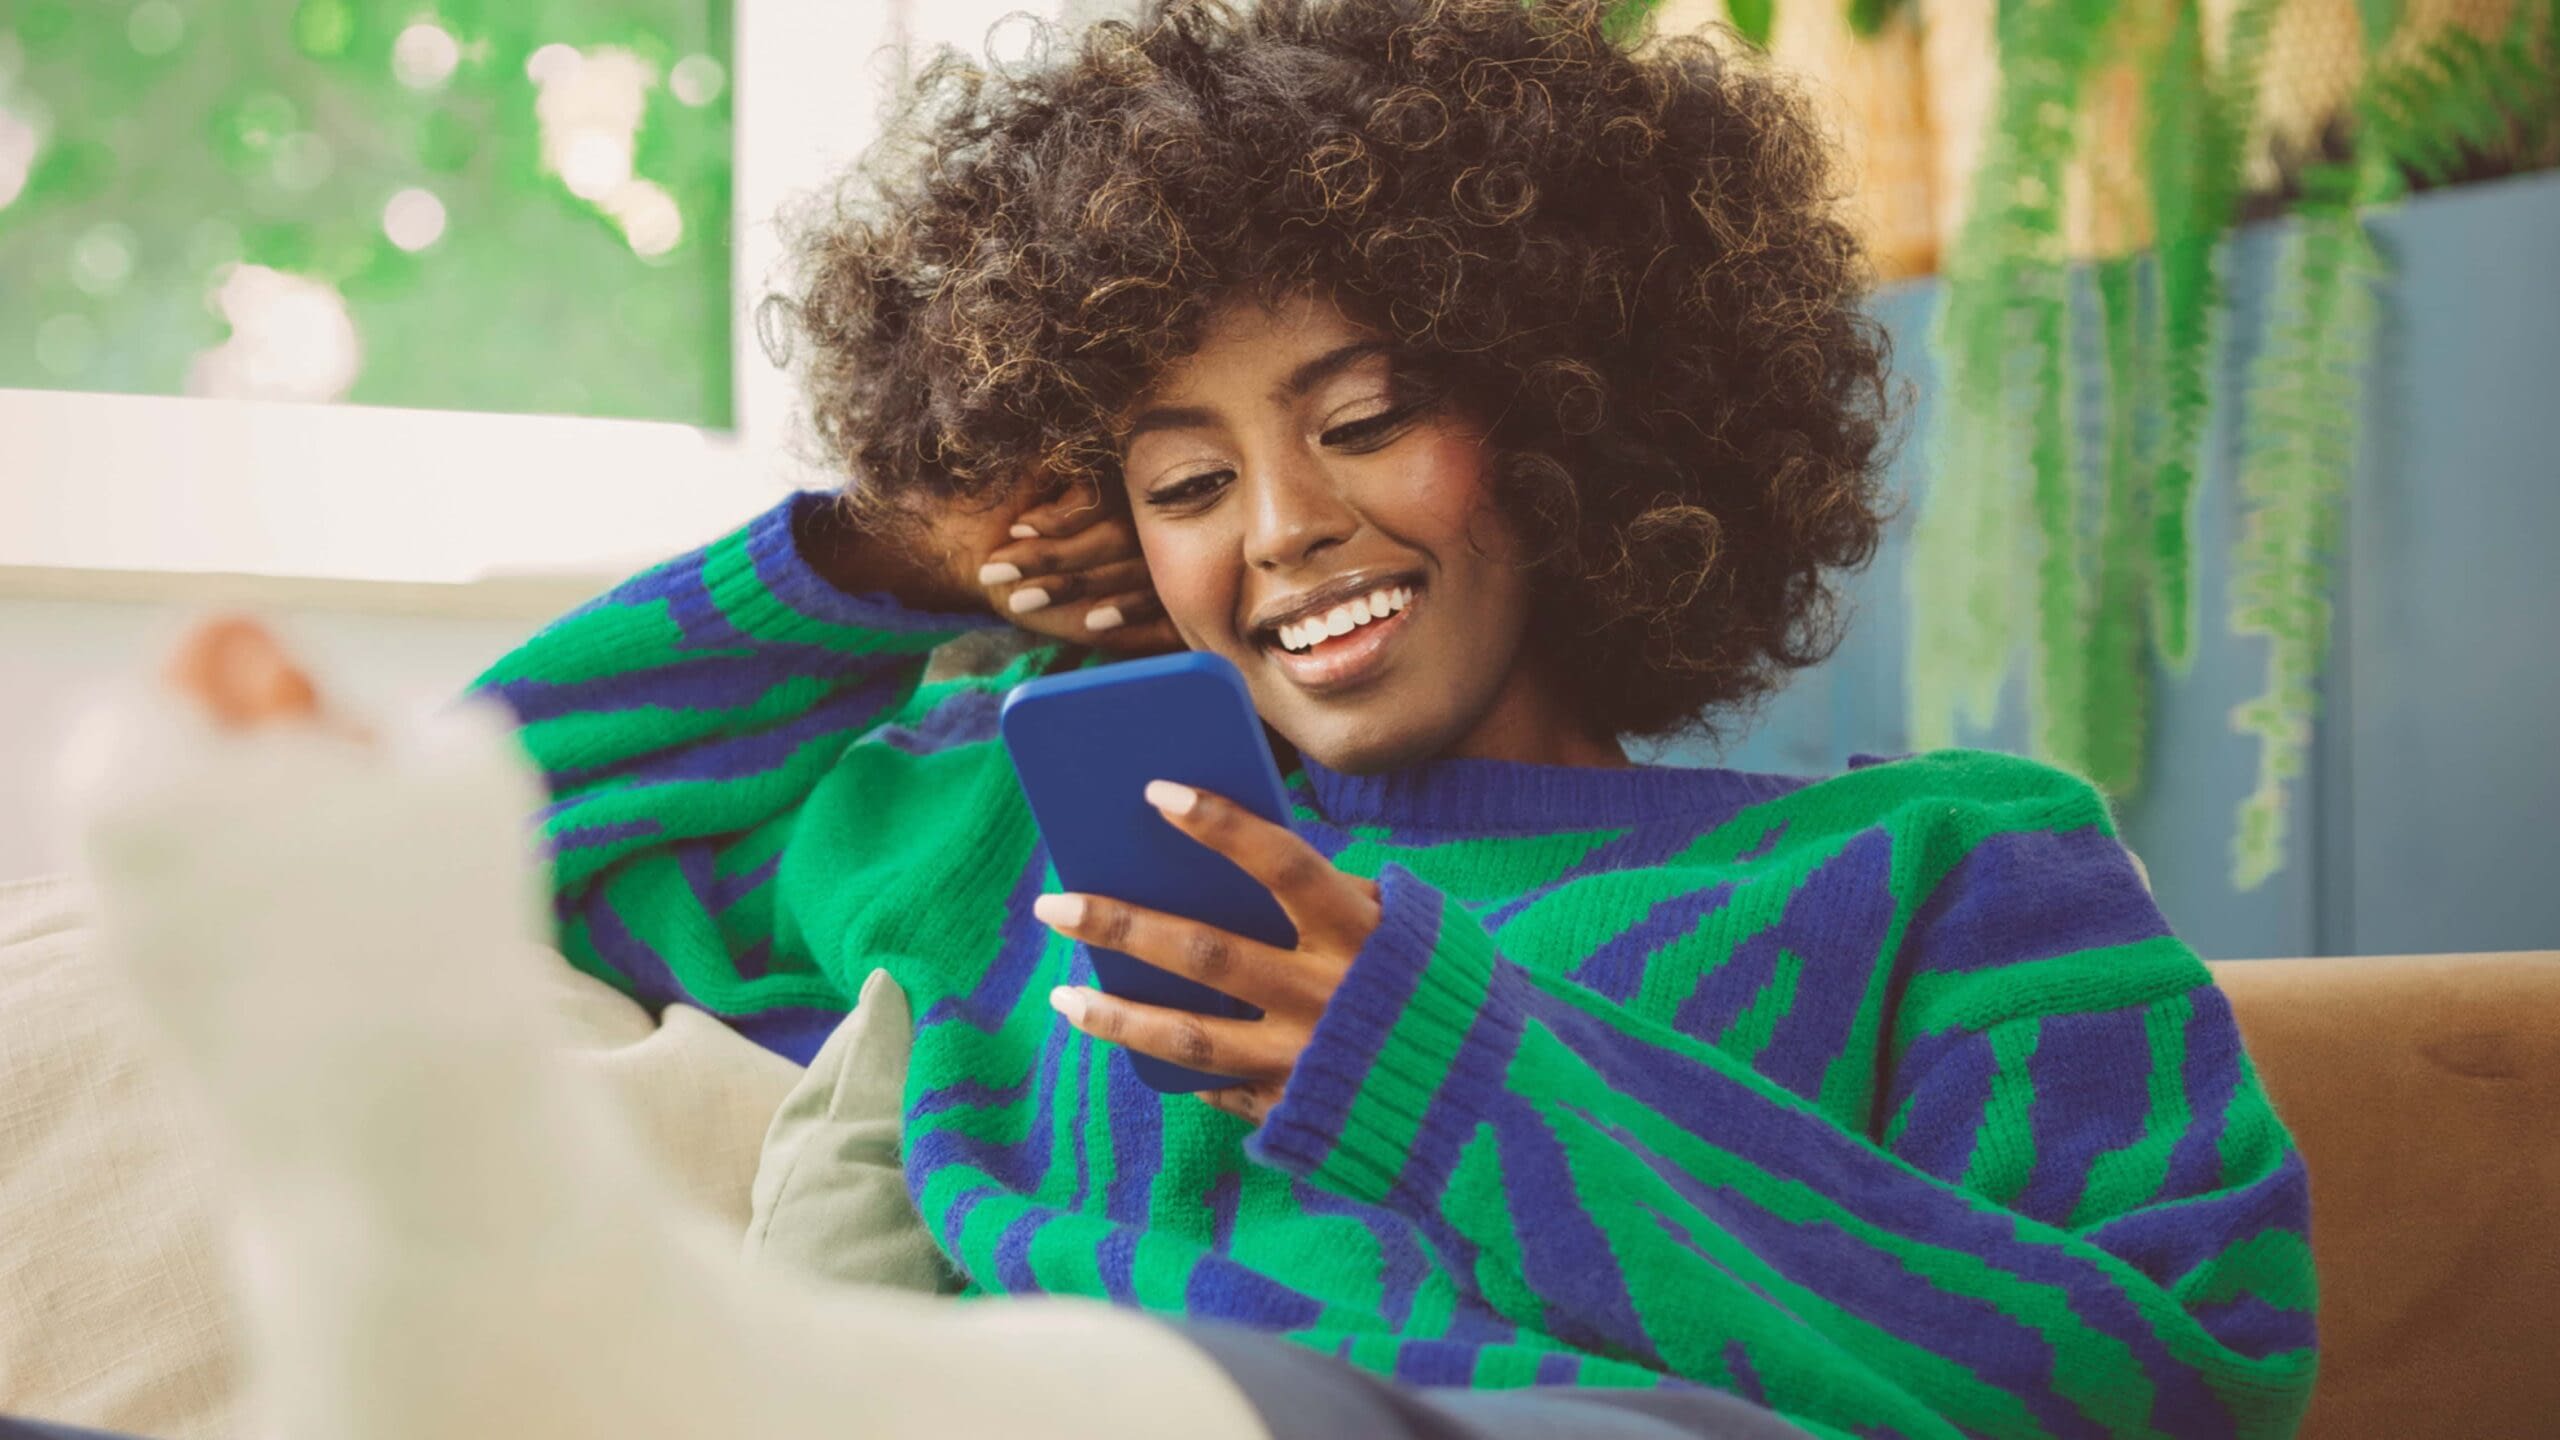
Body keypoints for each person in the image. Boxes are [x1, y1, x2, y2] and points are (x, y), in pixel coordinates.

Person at [35, 2, 2317, 1438]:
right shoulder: (1010, 845)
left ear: (1568, 415)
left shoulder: (1934, 869)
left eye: (1367, 417)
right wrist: (875, 564)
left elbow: (2167, 1388)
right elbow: (482, 837)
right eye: (1185, 478)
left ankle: (548, 1336)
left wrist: (1431, 1063)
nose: (1287, 528)